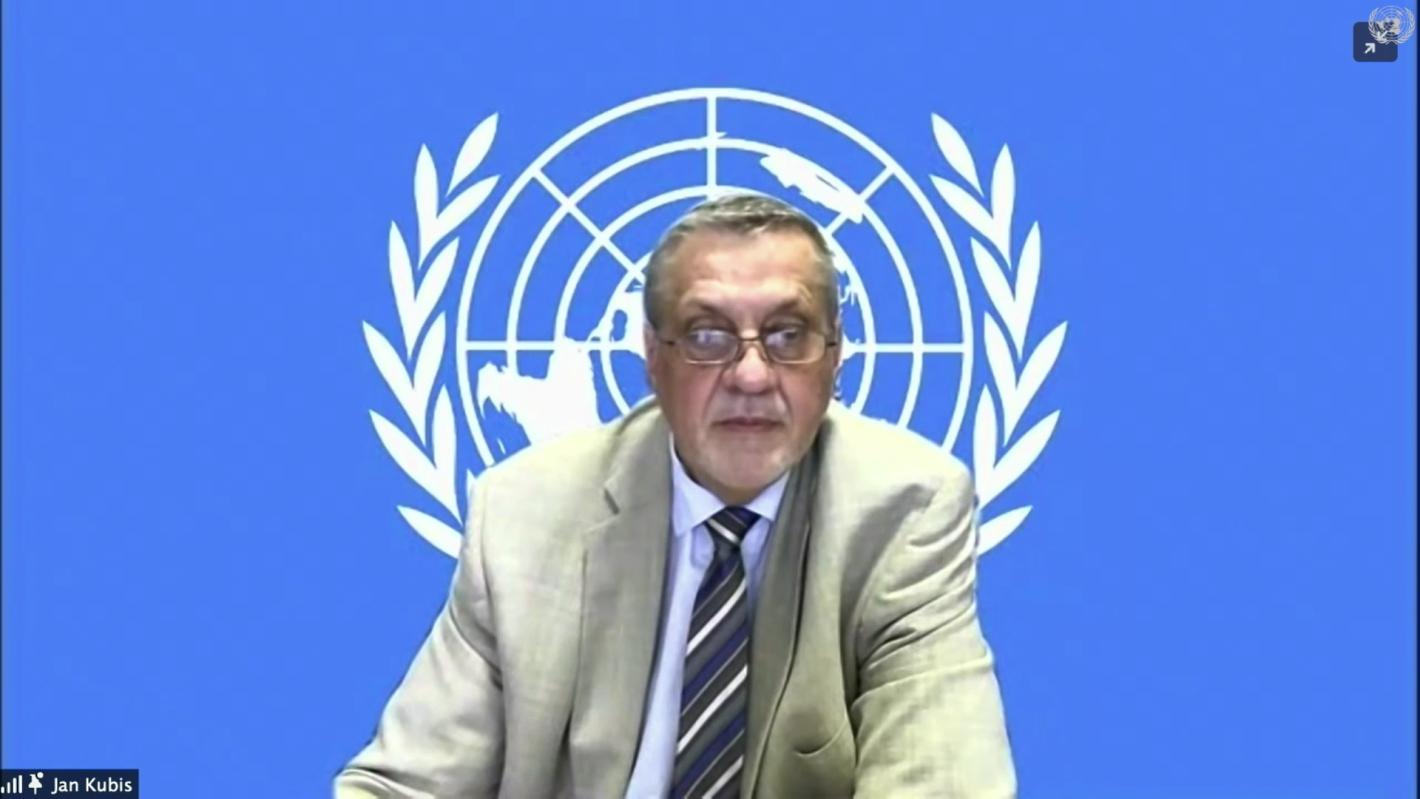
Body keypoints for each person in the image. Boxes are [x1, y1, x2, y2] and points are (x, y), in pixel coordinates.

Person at [335, 194, 1016, 798]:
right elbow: (403, 785)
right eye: (707, 336)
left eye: (788, 335)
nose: (752, 375)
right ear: (653, 359)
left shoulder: (905, 510)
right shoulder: (523, 513)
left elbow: (947, 784)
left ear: (835, 357)